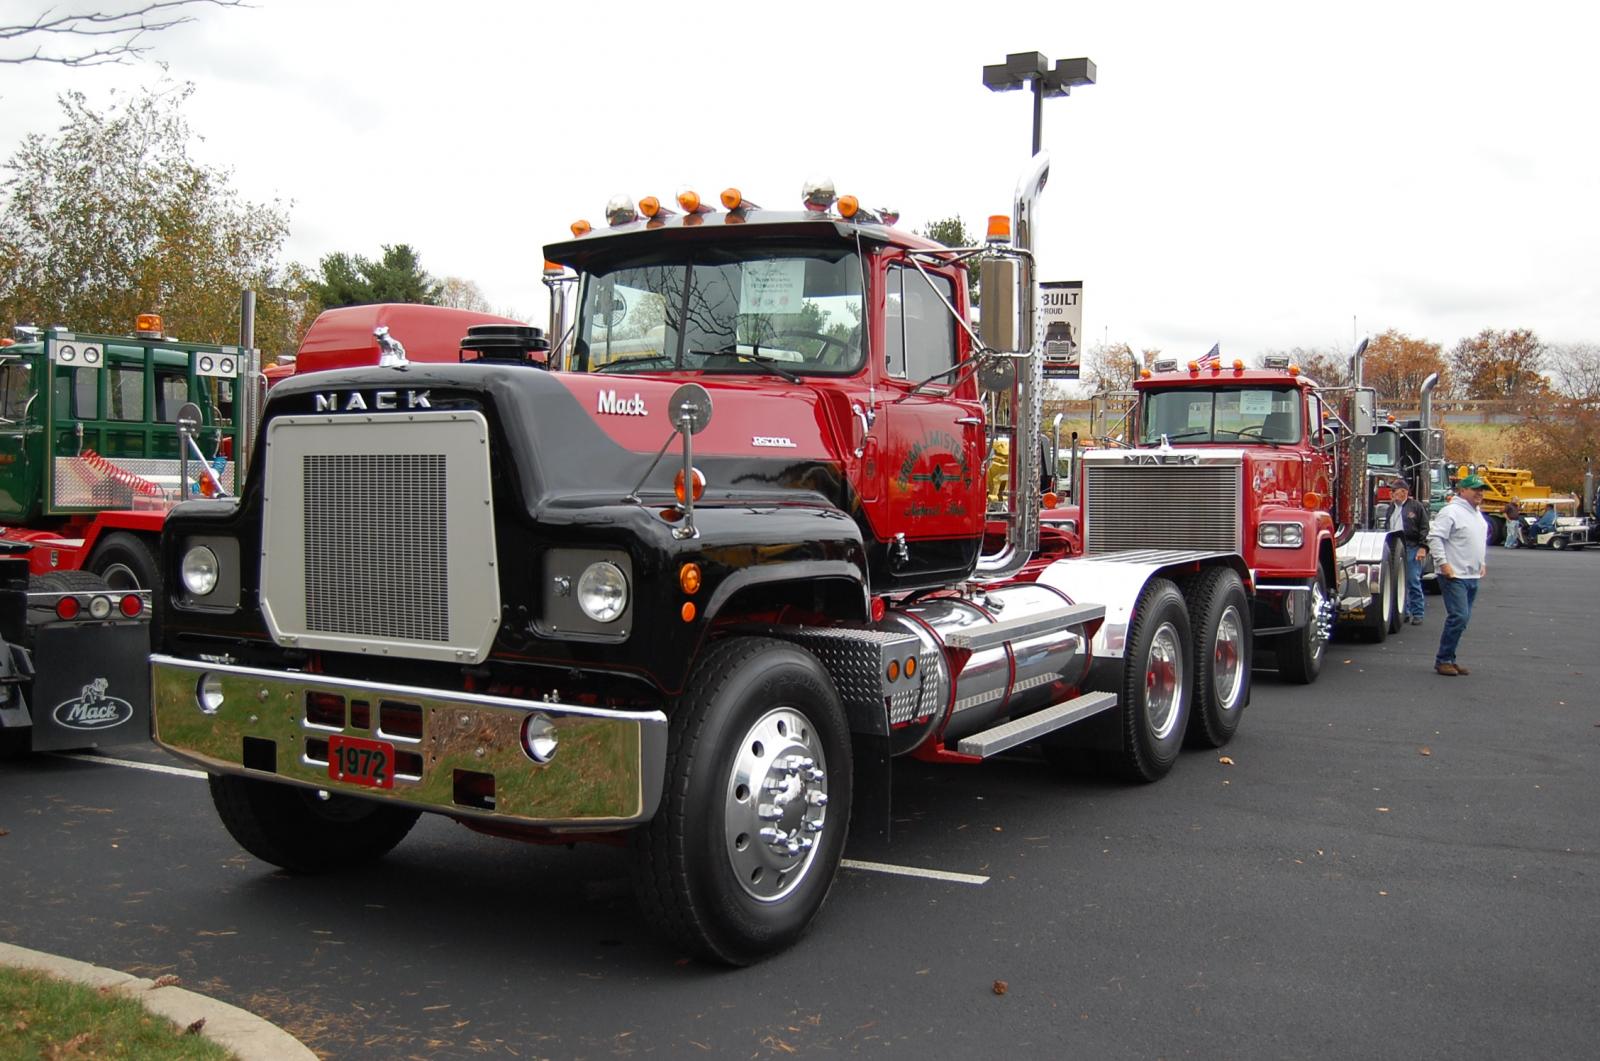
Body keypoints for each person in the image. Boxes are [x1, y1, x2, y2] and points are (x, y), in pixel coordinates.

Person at [1427, 472, 1489, 676]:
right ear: (1462, 490)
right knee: (1459, 617)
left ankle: (1450, 658)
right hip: (1454, 574)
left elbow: (1477, 539)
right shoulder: (1450, 511)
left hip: (1471, 575)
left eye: (1481, 490)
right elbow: (1435, 537)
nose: (1479, 493)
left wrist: (1482, 562)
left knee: (1463, 619)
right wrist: (1443, 564)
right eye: (1475, 489)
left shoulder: (1476, 512)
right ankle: (1443, 659)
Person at [1387, 480, 1429, 623]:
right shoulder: (1391, 508)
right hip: (1395, 547)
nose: (1391, 493)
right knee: (1398, 580)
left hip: (1412, 546)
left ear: (1404, 492)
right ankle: (1404, 611)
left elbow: (1424, 527)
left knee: (1412, 580)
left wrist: (1423, 547)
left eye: (1394, 491)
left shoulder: (1416, 507)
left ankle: (1418, 613)